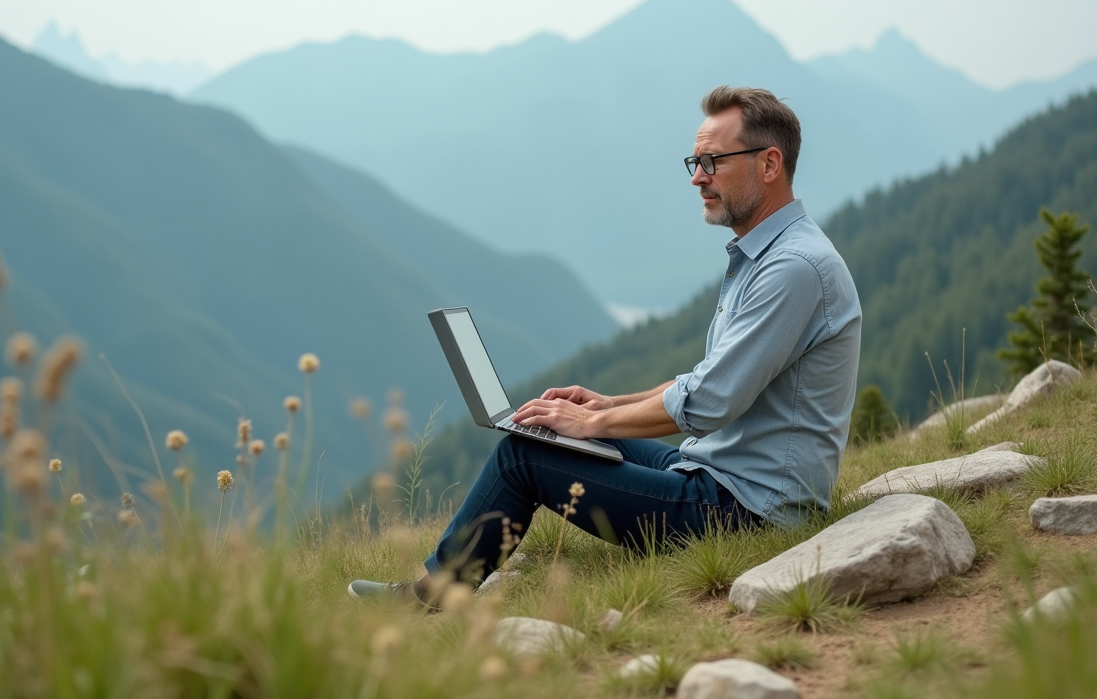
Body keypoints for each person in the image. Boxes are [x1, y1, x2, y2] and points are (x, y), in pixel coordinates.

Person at [348, 86, 862, 607]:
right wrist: (607, 406)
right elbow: (712, 376)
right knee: (549, 434)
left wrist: (592, 425)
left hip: (749, 510)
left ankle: (430, 597)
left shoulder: (793, 269)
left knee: (523, 457)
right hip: (720, 476)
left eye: (712, 161)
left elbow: (710, 401)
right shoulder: (768, 258)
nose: (697, 177)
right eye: (695, 160)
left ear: (769, 163)